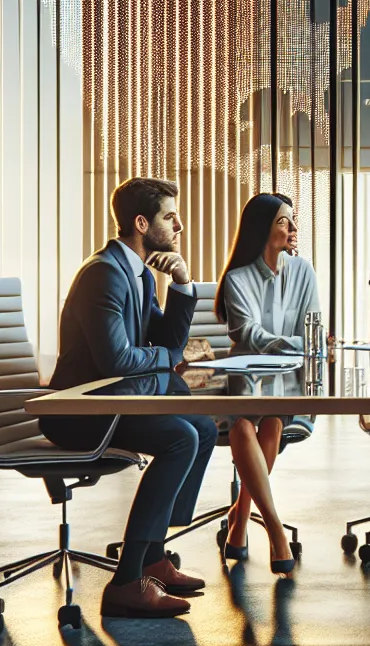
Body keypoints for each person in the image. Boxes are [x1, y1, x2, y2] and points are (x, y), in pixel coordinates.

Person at [40, 177, 215, 618]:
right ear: (141, 223)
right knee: (180, 438)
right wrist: (166, 357)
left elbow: (164, 339)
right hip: (79, 409)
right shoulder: (105, 274)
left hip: (112, 400)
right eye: (169, 217)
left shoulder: (137, 273)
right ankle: (127, 581)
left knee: (204, 427)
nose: (179, 225)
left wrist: (181, 282)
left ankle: (154, 553)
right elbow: (118, 358)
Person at [215, 193, 320, 574]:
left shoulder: (303, 271)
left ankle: (241, 517)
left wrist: (301, 342)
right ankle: (275, 528)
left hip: (289, 379)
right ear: (263, 229)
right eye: (283, 221)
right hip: (244, 376)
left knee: (273, 419)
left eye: (292, 221)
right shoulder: (237, 278)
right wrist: (297, 342)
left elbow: (313, 326)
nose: (292, 229)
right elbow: (249, 333)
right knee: (245, 421)